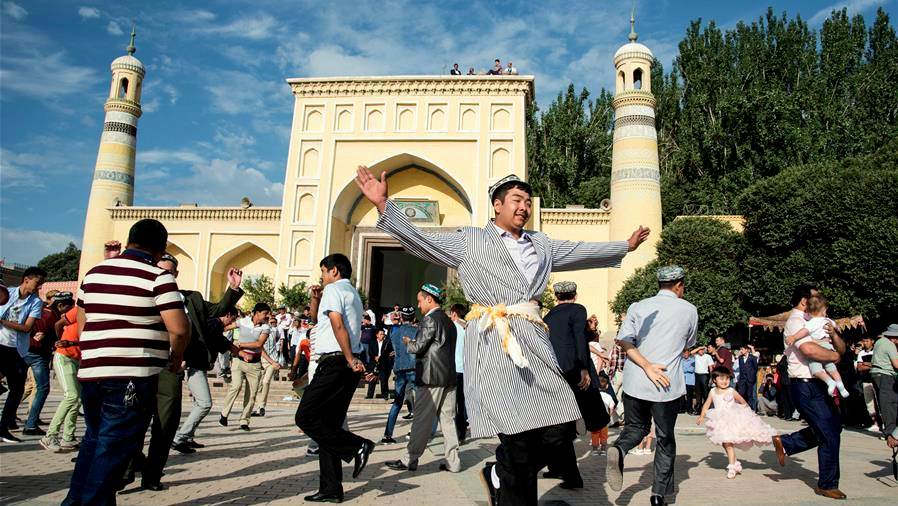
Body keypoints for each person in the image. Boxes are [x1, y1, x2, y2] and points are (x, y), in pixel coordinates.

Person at [358, 167, 649, 506]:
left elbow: (578, 249)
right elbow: (425, 241)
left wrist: (623, 246)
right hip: (495, 340)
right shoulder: (471, 240)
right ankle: (509, 483)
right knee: (517, 438)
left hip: (535, 342)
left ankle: (500, 472)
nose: (524, 207)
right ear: (497, 205)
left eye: (527, 201)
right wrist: (383, 205)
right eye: (516, 200)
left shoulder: (541, 244)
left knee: (562, 425)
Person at [63, 219, 190, 505]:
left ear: (130, 240)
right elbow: (179, 329)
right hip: (131, 374)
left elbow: (83, 321)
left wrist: (97, 350)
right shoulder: (158, 277)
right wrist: (176, 356)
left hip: (93, 372)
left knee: (94, 440)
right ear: (160, 249)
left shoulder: (94, 274)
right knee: (114, 445)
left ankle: (74, 501)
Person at [129, 254, 243, 491]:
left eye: (169, 272)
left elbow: (218, 311)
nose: (164, 275)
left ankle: (152, 475)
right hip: (141, 362)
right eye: (160, 270)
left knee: (166, 422)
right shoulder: (143, 295)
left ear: (176, 275)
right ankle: (128, 468)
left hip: (171, 365)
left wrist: (232, 289)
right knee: (134, 418)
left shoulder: (192, 299)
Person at [606, 265, 698, 506]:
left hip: (636, 381)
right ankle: (658, 495)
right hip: (666, 384)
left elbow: (624, 341)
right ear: (679, 285)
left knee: (635, 429)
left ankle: (620, 449)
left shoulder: (637, 307)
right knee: (665, 439)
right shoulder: (689, 310)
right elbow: (689, 342)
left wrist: (646, 365)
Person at [295, 254, 375, 503]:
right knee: (328, 425)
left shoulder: (333, 290)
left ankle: (356, 446)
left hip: (336, 361)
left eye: (323, 271)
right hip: (345, 363)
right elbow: (321, 322)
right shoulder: (352, 294)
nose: (322, 276)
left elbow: (337, 324)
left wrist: (350, 358)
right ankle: (331, 488)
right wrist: (315, 299)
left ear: (334, 271)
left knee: (306, 416)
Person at [772, 284, 847, 500]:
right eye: (815, 298)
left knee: (833, 426)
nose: (819, 302)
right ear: (804, 301)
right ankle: (827, 483)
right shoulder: (796, 322)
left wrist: (835, 340)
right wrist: (834, 357)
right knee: (829, 433)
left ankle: (787, 443)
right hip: (805, 383)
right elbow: (808, 349)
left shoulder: (818, 321)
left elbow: (840, 347)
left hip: (819, 383)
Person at [386, 284, 460, 473]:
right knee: (448, 421)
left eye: (420, 301)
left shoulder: (430, 320)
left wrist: (408, 343)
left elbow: (418, 347)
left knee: (421, 420)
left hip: (431, 377)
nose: (418, 306)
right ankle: (453, 462)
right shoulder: (450, 322)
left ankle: (409, 459)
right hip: (449, 377)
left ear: (429, 299)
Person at [542, 280, 608, 489]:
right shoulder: (578, 309)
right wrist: (583, 367)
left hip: (554, 372)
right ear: (575, 295)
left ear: (556, 297)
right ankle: (571, 476)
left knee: (558, 421)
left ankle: (558, 469)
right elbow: (579, 337)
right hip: (574, 371)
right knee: (574, 423)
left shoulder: (549, 315)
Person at [172, 307, 239, 453]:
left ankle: (188, 437)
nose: (231, 323)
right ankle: (179, 437)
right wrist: (233, 348)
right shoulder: (214, 324)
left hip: (197, 366)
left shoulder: (212, 325)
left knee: (198, 403)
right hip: (195, 366)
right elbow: (212, 340)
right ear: (227, 315)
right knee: (205, 404)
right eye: (232, 319)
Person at [697, 366, 777, 479]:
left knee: (729, 444)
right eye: (721, 378)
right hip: (719, 421)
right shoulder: (713, 391)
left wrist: (747, 415)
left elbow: (743, 402)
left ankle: (731, 467)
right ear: (714, 380)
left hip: (732, 420)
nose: (724, 381)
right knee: (725, 443)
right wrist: (701, 416)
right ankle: (735, 463)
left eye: (727, 379)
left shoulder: (731, 391)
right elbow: (706, 404)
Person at [0, 266, 46, 443]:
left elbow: (27, 327)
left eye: (42, 284)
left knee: (17, 389)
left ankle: (3, 427)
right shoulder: (7, 293)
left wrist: (3, 321)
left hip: (17, 349)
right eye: (38, 282)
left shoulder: (35, 302)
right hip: (0, 344)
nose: (39, 287)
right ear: (27, 279)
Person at [23, 290, 75, 435]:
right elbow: (55, 328)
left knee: (20, 387)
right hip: (38, 353)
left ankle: (9, 420)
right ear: (60, 305)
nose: (68, 312)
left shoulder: (39, 309)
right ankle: (31, 424)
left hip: (25, 349)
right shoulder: (51, 315)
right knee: (42, 388)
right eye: (68, 308)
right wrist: (57, 341)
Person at [219, 303, 274, 431]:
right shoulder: (242, 322)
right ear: (256, 313)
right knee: (236, 386)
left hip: (254, 364)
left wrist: (241, 344)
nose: (267, 316)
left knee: (252, 394)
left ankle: (244, 420)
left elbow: (259, 343)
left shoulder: (265, 328)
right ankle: (224, 414)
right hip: (238, 361)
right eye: (265, 313)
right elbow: (226, 327)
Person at [785, 295, 849, 397]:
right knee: (832, 369)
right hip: (828, 346)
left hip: (819, 346)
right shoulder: (828, 321)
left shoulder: (812, 322)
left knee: (816, 370)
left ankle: (829, 382)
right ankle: (841, 386)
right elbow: (836, 327)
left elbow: (804, 332)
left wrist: (794, 337)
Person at [40, 300, 82, 452]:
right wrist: (60, 341)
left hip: (77, 359)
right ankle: (50, 436)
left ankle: (68, 437)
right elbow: (58, 324)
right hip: (64, 356)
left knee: (77, 399)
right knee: (71, 396)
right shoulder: (79, 310)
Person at [382, 306, 418, 443]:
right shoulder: (417, 331)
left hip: (399, 369)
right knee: (419, 403)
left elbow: (389, 350)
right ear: (414, 318)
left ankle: (388, 435)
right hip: (414, 369)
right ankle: (414, 431)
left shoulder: (394, 333)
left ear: (401, 318)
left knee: (397, 402)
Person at [253, 315, 286, 417]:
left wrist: (273, 361)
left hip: (273, 360)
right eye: (268, 321)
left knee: (266, 381)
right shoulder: (258, 331)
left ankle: (262, 406)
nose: (270, 323)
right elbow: (260, 349)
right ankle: (259, 408)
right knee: (258, 386)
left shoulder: (273, 331)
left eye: (272, 322)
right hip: (263, 361)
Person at [870, 324, 898, 441]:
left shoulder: (879, 342)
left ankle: (890, 431)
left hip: (876, 374)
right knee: (890, 404)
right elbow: (896, 364)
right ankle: (891, 434)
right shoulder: (890, 345)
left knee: (886, 403)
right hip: (886, 375)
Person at [449, 303, 468, 442]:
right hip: (465, 370)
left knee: (451, 404)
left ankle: (453, 433)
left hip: (453, 369)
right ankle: (462, 432)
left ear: (454, 314)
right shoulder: (468, 328)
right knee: (461, 403)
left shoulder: (451, 328)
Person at [365, 328, 392, 399]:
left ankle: (384, 395)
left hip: (383, 363)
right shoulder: (372, 342)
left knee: (383, 380)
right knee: (372, 379)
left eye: (383, 334)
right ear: (377, 335)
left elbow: (389, 352)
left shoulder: (387, 343)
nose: (382, 335)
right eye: (381, 334)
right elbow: (370, 352)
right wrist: (375, 357)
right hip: (374, 363)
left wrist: (381, 357)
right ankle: (370, 395)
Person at [593, 376, 616, 455]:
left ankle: (595, 451)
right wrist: (610, 415)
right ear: (607, 386)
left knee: (595, 435)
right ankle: (603, 451)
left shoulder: (593, 396)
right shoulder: (609, 396)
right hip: (604, 420)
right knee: (604, 436)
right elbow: (612, 407)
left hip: (595, 419)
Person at [736, 344, 760, 411]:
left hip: (750, 378)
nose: (741, 351)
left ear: (746, 350)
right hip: (742, 379)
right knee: (741, 393)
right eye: (740, 349)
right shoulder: (740, 358)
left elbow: (756, 367)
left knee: (750, 394)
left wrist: (752, 375)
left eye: (742, 349)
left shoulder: (752, 357)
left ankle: (751, 409)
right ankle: (741, 408)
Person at [692, 346, 713, 415]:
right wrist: (699, 348)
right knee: (698, 393)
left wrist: (711, 377)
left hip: (704, 375)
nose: (701, 351)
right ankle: (698, 409)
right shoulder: (696, 356)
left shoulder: (708, 356)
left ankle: (706, 409)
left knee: (705, 393)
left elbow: (710, 367)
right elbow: (691, 352)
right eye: (700, 350)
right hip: (697, 375)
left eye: (702, 350)